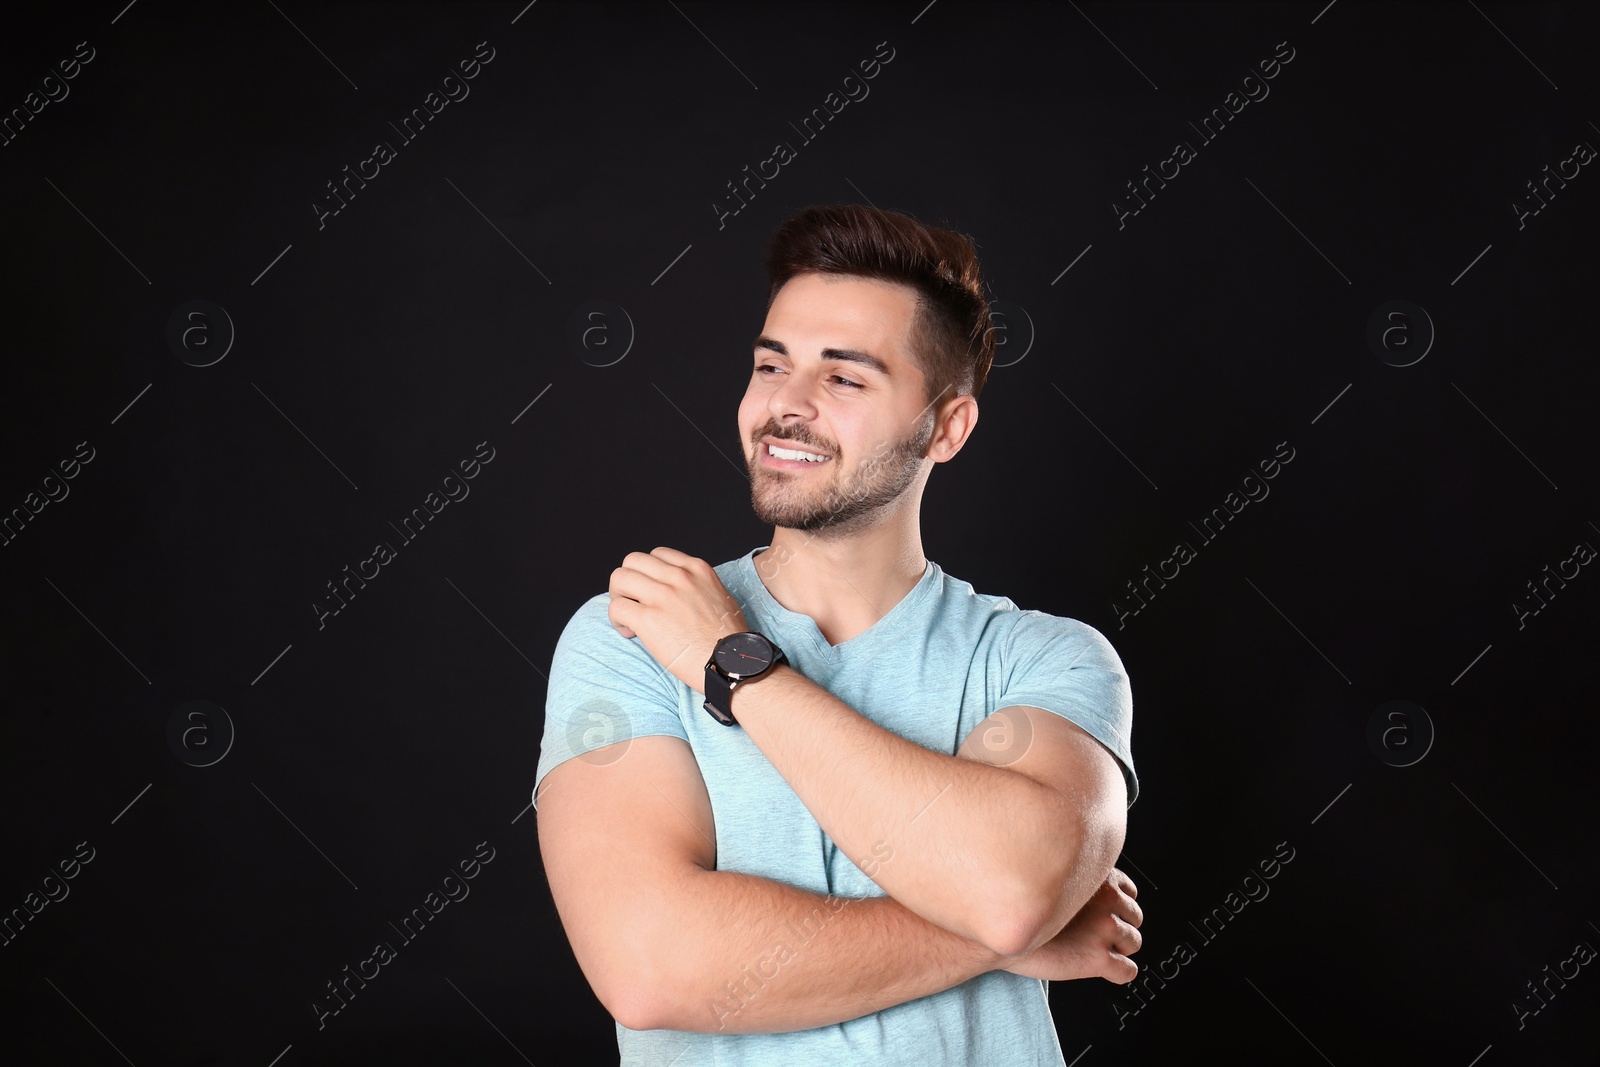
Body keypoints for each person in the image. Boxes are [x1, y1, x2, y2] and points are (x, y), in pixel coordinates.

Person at [533, 203, 1142, 1065]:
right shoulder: (630, 630)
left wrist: (736, 665)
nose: (786, 405)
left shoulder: (1045, 659)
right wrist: (1001, 938)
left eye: (845, 379)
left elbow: (1007, 891)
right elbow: (649, 964)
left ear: (946, 426)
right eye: (770, 364)